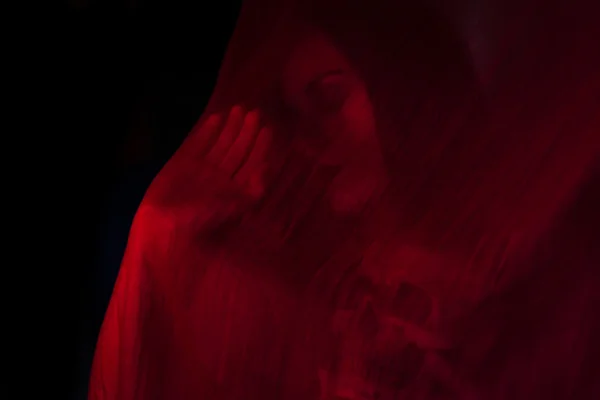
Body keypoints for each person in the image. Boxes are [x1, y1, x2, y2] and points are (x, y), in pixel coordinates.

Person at [89, 0, 600, 399]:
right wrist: (157, 239)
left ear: (404, 93)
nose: (308, 136)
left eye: (331, 96)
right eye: (293, 114)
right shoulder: (291, 295)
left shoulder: (528, 284)